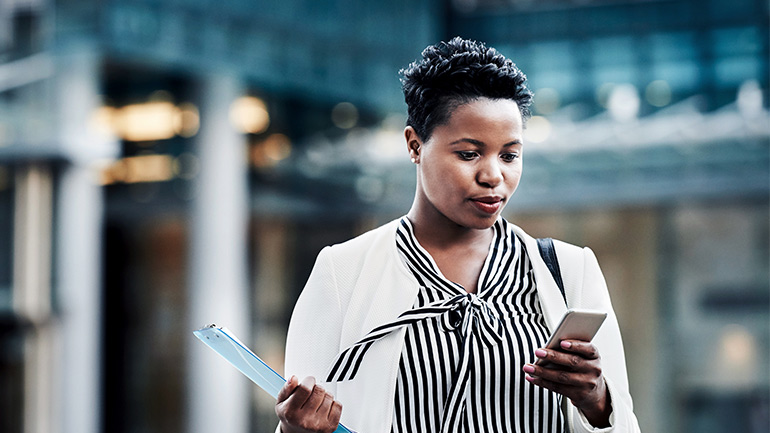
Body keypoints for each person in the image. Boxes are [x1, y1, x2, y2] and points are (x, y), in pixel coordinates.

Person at [275, 37, 641, 433]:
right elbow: (299, 416)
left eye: (509, 155)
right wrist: (297, 430)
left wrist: (597, 400)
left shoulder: (569, 271)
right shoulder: (342, 272)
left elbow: (624, 424)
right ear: (415, 145)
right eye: (469, 154)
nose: (493, 176)